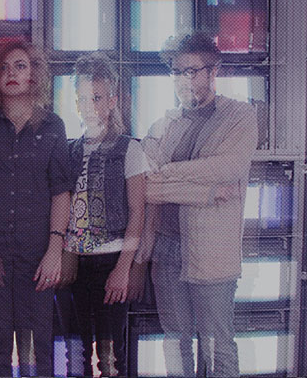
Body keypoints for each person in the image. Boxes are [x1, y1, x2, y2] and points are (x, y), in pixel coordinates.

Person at [132, 32, 258, 377]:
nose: (182, 80)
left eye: (191, 71)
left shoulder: (239, 115)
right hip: (165, 248)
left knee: (217, 346)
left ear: (213, 71)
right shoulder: (165, 123)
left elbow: (228, 168)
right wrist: (205, 191)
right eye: (176, 72)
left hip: (212, 251)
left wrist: (168, 172)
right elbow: (145, 186)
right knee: (176, 342)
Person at [0, 37, 72, 377]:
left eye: (20, 66)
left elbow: (61, 192)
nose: (11, 73)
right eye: (3, 67)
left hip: (37, 255)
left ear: (35, 73)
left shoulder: (53, 126)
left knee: (37, 350)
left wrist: (55, 250)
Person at [57, 52, 148, 377]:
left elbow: (137, 211)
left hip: (111, 261)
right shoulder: (69, 150)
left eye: (97, 97)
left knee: (110, 356)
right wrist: (67, 253)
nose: (90, 105)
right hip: (76, 263)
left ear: (111, 101)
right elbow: (65, 208)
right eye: (83, 98)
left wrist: (124, 268)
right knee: (75, 352)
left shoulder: (129, 149)